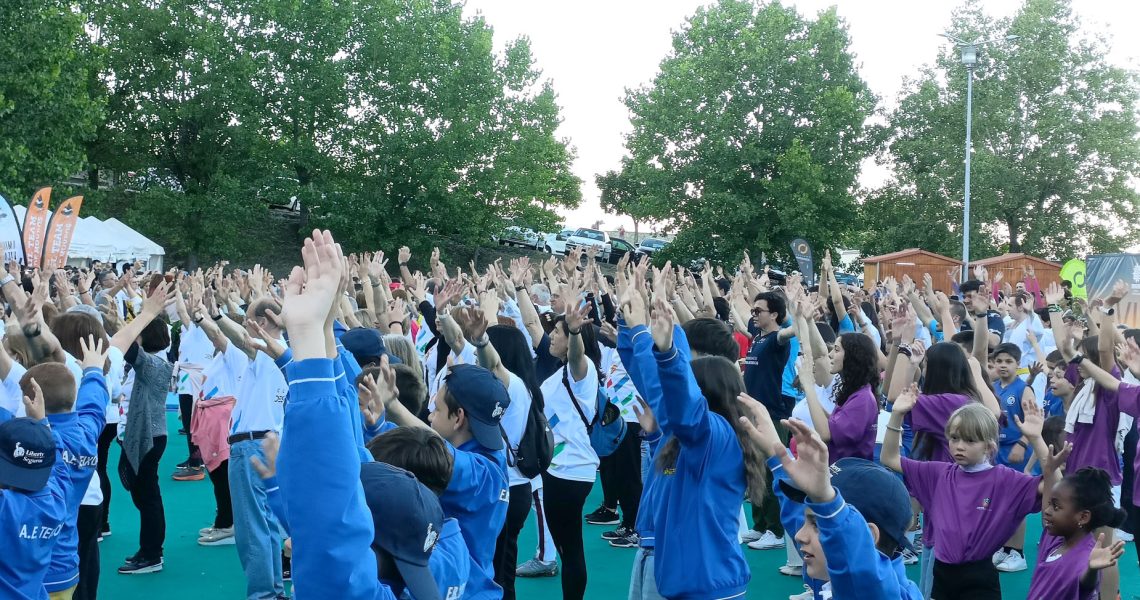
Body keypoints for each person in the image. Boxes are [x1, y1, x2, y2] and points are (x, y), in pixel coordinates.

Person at [617, 278, 765, 600]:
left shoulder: (718, 435)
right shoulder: (696, 437)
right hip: (681, 570)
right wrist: (630, 325)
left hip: (703, 584)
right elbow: (657, 390)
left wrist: (661, 348)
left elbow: (679, 406)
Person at [272, 229, 397, 599]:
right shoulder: (448, 559)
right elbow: (349, 451)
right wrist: (320, 327)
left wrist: (311, 330)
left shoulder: (356, 588)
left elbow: (334, 475)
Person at [736, 394, 921, 599]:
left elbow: (856, 562)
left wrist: (827, 503)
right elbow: (798, 514)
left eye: (817, 524)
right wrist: (776, 454)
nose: (799, 535)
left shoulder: (882, 593)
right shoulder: (829, 568)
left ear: (866, 538)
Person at [366, 356, 509, 595]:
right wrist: (379, 426)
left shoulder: (480, 474)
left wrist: (393, 405)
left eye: (437, 408)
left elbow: (433, 450)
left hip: (457, 587)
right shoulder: (495, 453)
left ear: (459, 417)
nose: (430, 415)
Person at [882, 396, 1046, 599]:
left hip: (979, 578)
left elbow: (1054, 487)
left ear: (989, 446)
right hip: (942, 574)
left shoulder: (1004, 480)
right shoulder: (939, 473)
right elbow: (889, 458)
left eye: (969, 440)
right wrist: (897, 414)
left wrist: (1036, 439)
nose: (959, 446)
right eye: (954, 438)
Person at [34, 339, 109, 598]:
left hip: (38, 565)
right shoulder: (86, 433)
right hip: (67, 561)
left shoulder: (39, 442)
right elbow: (94, 407)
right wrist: (93, 371)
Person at [110, 279, 174, 575]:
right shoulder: (153, 361)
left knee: (147, 497)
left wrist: (143, 314)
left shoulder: (154, 364)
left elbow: (122, 348)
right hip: (144, 434)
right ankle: (149, 550)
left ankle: (152, 554)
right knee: (145, 495)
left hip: (149, 436)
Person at [0, 387, 74, 599]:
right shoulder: (57, 499)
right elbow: (59, 468)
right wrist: (42, 423)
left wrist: (42, 421)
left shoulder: (6, 508)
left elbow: (58, 465)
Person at [1027, 449, 1127, 599]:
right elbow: (1049, 502)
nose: (1047, 511)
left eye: (1056, 507)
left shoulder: (1085, 557)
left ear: (1083, 517)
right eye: (1049, 504)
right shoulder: (1056, 538)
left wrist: (1092, 570)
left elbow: (1085, 584)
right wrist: (1049, 471)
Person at [740, 290, 795, 551]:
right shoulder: (757, 339)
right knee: (754, 469)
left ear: (774, 314)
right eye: (753, 311)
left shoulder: (776, 339)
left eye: (758, 311)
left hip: (771, 414)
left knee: (770, 471)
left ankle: (776, 529)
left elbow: (790, 332)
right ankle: (760, 525)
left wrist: (801, 314)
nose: (753, 316)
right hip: (751, 413)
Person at [990, 342, 1038, 573]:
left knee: (1016, 502)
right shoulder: (993, 387)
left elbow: (1035, 419)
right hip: (996, 451)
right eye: (999, 361)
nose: (1003, 365)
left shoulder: (1023, 389)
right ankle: (1006, 547)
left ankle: (1018, 553)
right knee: (1000, 502)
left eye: (1008, 361)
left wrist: (1022, 443)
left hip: (1017, 450)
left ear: (1018, 364)